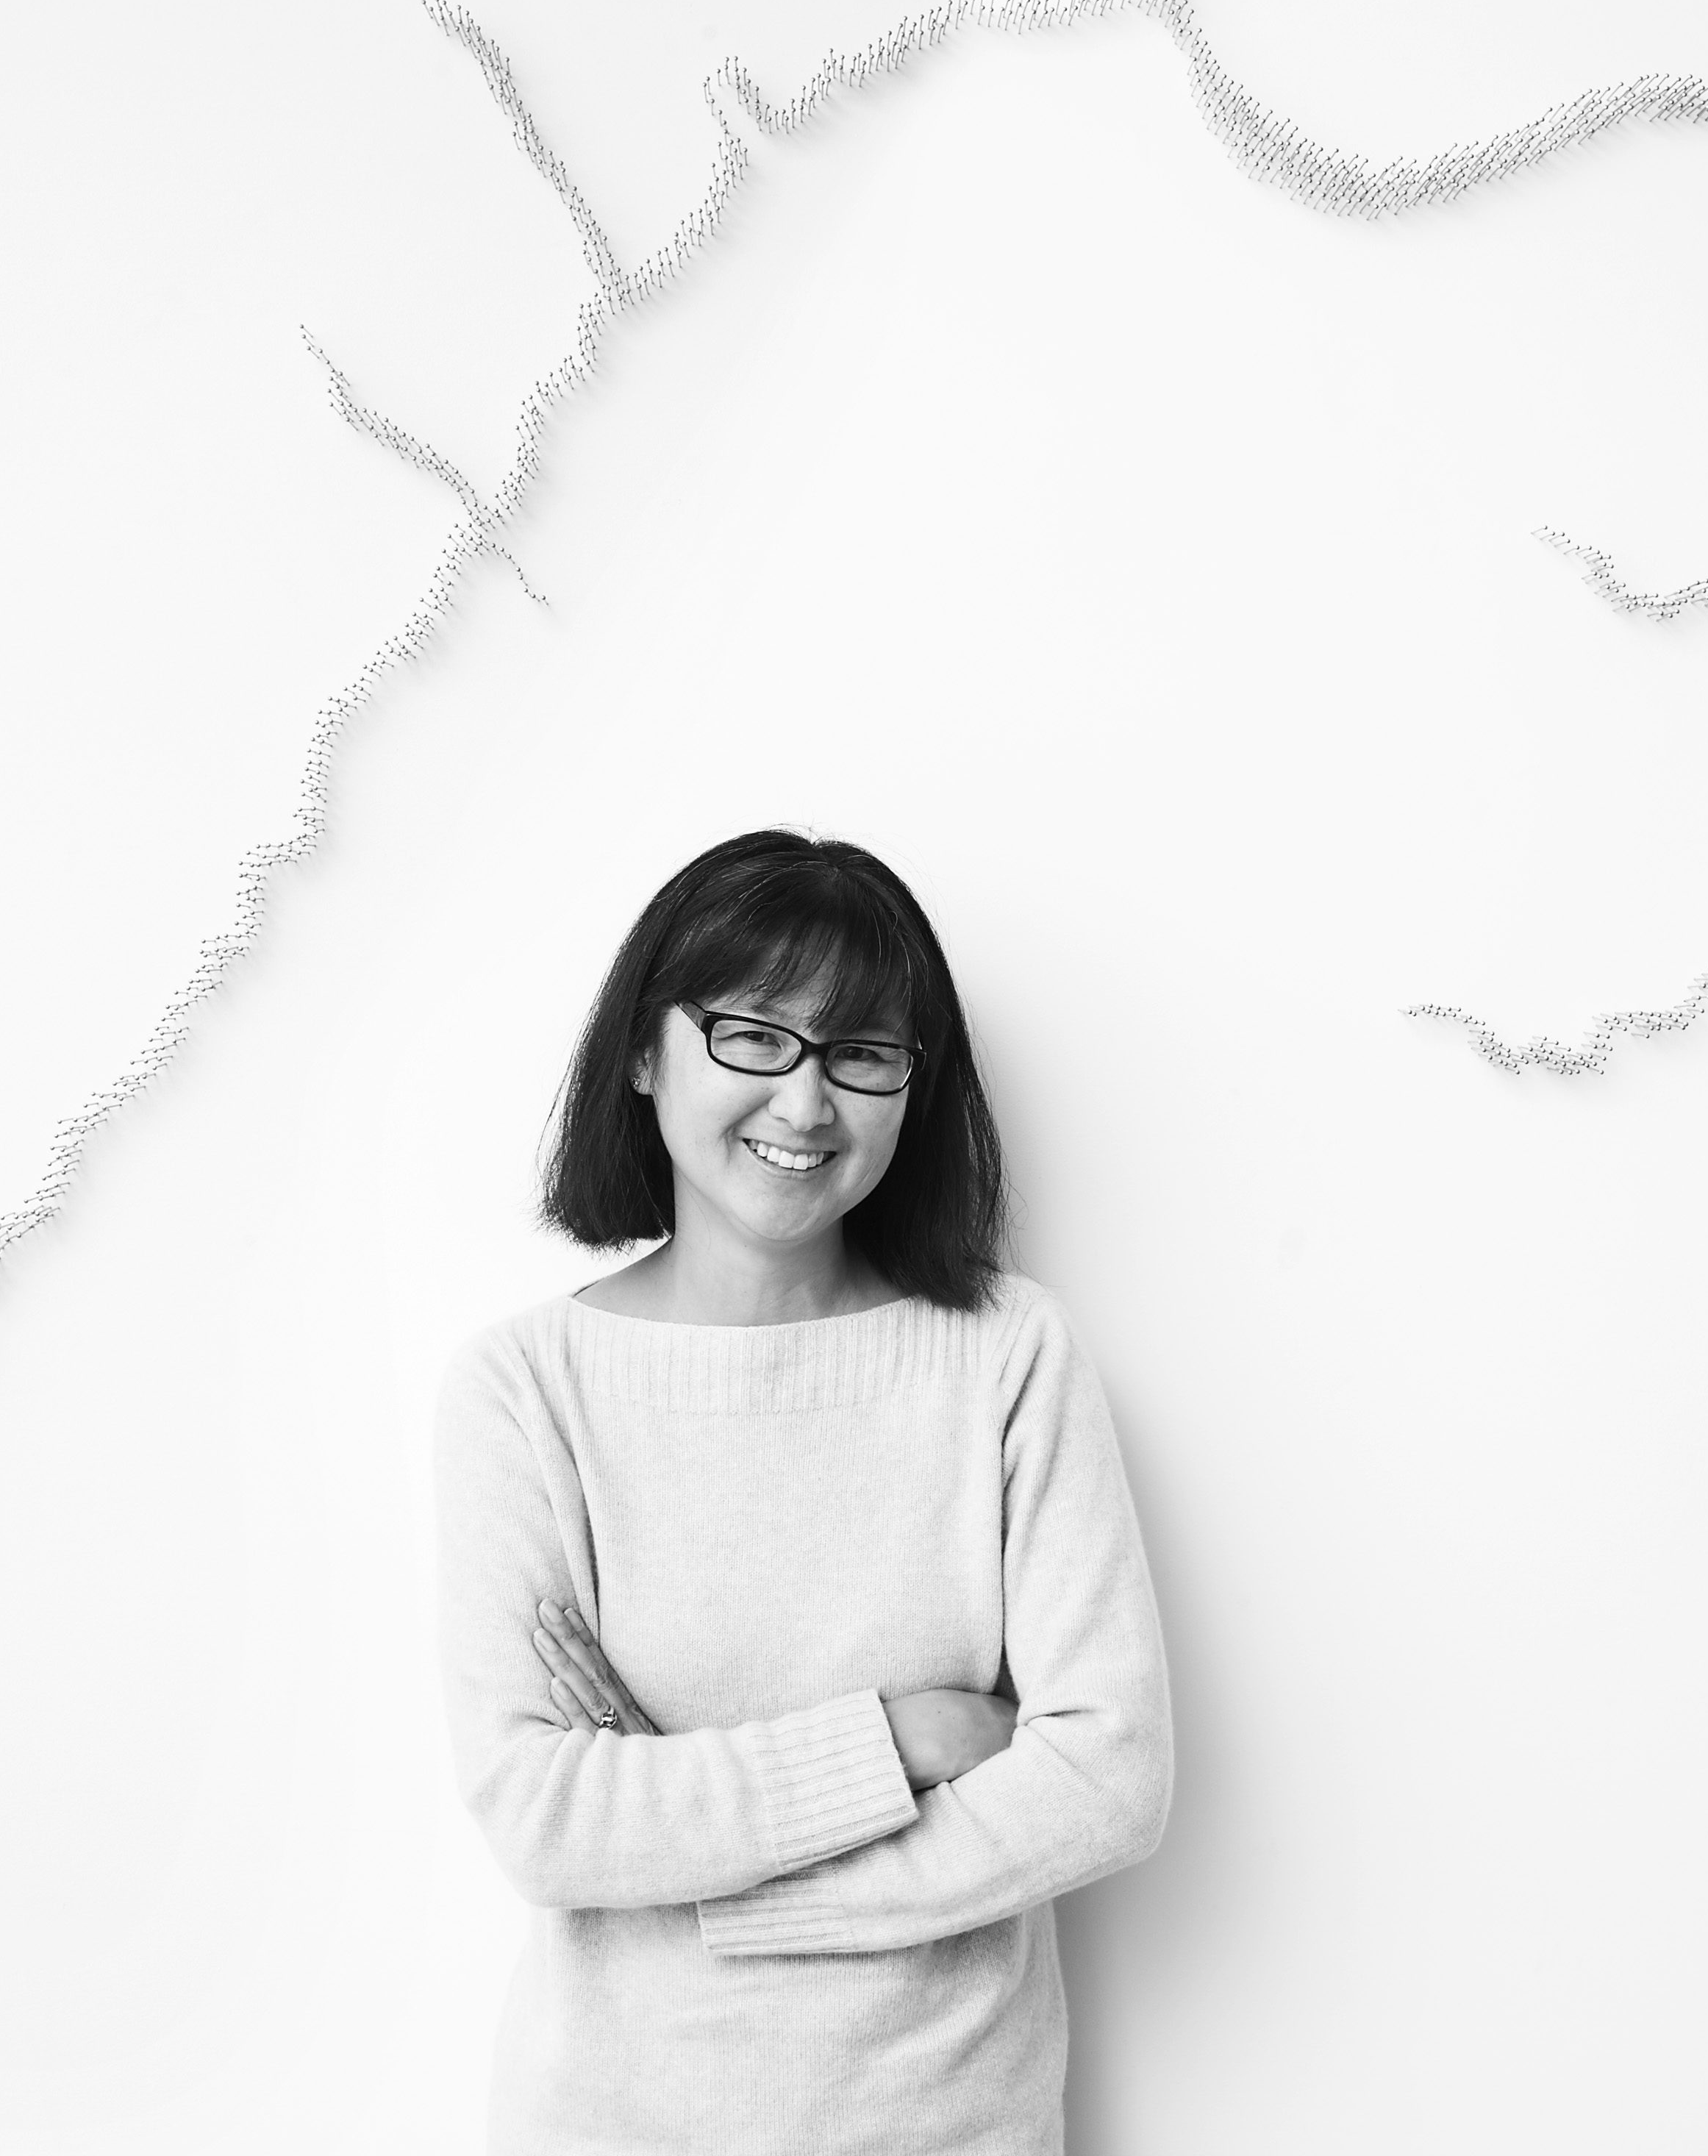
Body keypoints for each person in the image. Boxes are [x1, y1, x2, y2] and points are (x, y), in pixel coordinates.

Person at [430, 828, 1174, 2154]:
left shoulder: (1007, 1355)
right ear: (646, 1052)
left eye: (862, 1055)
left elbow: (1106, 1777)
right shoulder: (526, 1389)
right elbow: (546, 1819)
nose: (806, 1102)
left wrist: (717, 1876)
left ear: (913, 1091)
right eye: (755, 1036)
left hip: (952, 2124)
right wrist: (905, 1742)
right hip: (618, 2121)